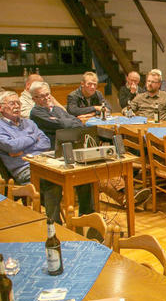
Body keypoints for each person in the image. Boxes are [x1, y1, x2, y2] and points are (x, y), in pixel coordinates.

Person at [29, 83, 150, 209]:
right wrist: (66, 121)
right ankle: (127, 196)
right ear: (34, 99)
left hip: (76, 146)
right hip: (58, 154)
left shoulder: (57, 110)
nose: (46, 98)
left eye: (48, 94)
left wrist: (63, 121)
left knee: (102, 166)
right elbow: (66, 125)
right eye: (41, 96)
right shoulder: (36, 113)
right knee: (92, 172)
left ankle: (127, 195)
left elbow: (77, 122)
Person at [0, 91, 83, 223]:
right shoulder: (1, 127)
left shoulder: (28, 123)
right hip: (24, 169)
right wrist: (33, 137)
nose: (17, 106)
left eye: (18, 103)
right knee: (52, 182)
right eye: (12, 103)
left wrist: (24, 147)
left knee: (77, 175)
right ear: (1, 108)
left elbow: (45, 142)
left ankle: (77, 221)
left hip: (44, 162)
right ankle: (54, 225)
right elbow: (12, 147)